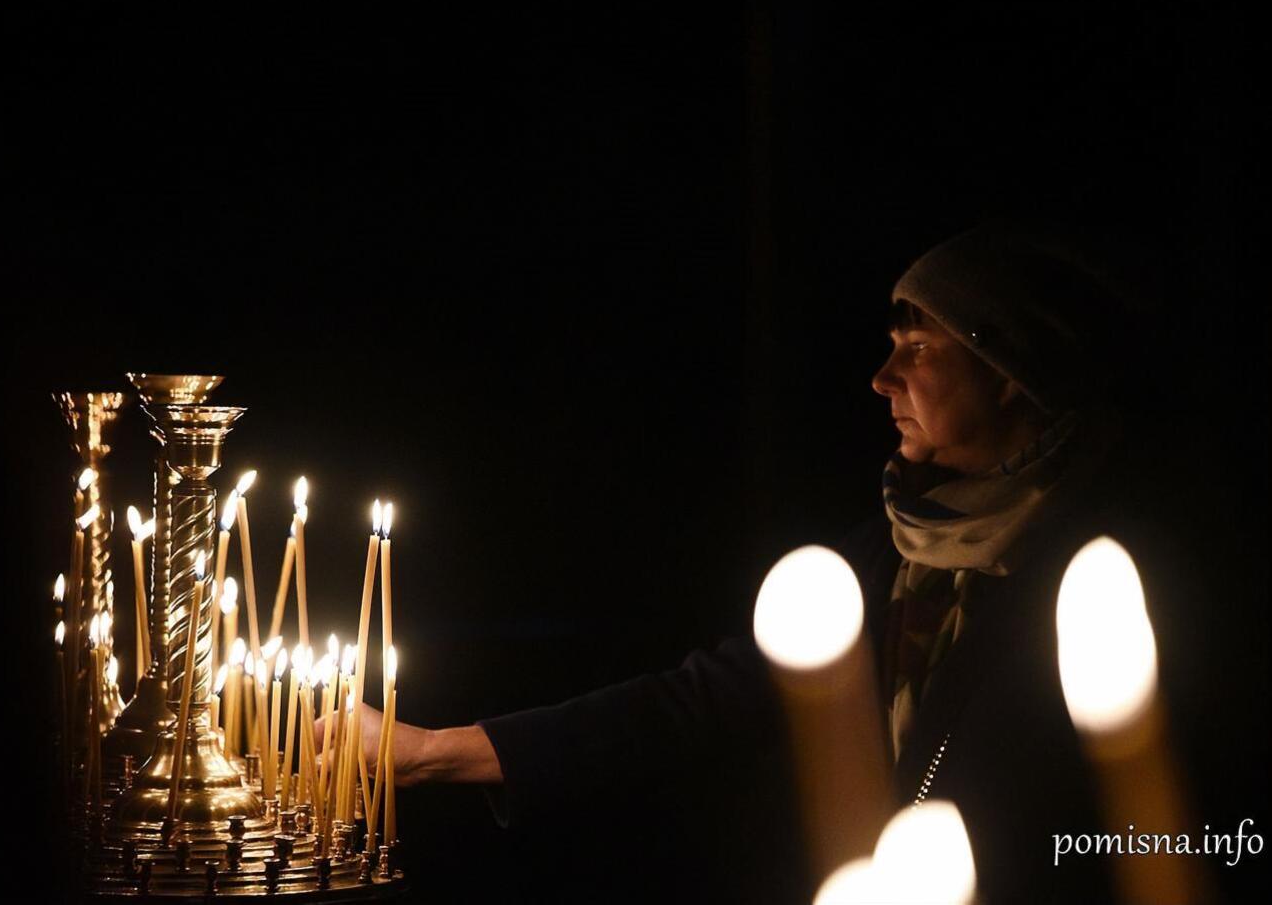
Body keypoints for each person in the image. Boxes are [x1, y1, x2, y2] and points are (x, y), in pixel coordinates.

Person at [331, 222, 1145, 902]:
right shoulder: (889, 552)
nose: (881, 376)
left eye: (920, 347)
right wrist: (430, 750)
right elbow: (696, 704)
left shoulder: (1104, 573)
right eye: (890, 345)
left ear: (1010, 375)